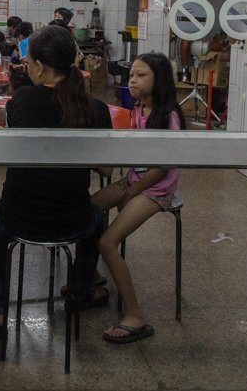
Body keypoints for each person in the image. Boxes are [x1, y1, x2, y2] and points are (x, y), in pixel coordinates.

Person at [0, 26, 111, 336]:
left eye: (28, 62)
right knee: (97, 220)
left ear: (39, 66)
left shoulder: (21, 100)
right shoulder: (96, 109)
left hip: (18, 218)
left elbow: (11, 148)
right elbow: (106, 171)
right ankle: (82, 289)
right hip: (74, 219)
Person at [91, 52, 184, 344]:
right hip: (135, 182)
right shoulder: (138, 108)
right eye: (132, 74)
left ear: (160, 81)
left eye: (141, 75)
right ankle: (90, 281)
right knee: (86, 211)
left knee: (107, 242)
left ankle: (135, 316)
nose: (133, 80)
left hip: (157, 191)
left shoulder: (168, 116)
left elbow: (159, 170)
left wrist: (129, 194)